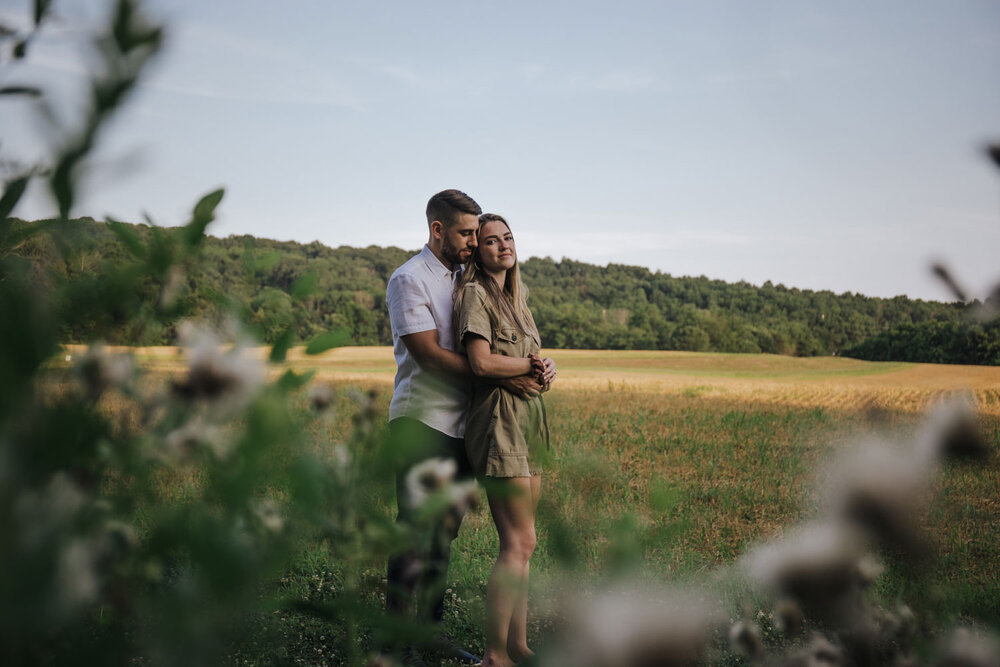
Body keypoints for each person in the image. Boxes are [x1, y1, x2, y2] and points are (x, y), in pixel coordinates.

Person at [385, 190, 553, 666]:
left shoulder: (467, 277)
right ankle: (397, 645)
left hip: (463, 426)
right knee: (416, 535)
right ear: (437, 229)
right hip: (423, 421)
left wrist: (526, 366)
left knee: (444, 537)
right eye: (465, 233)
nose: (473, 241)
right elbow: (429, 356)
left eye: (476, 234)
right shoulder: (409, 279)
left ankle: (430, 636)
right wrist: (507, 369)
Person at [453, 213, 554, 667]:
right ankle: (495, 655)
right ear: (478, 251)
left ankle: (518, 645)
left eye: (507, 238)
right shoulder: (475, 293)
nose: (502, 246)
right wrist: (527, 368)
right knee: (517, 542)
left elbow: (527, 359)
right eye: (490, 241)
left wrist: (547, 368)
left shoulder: (518, 296)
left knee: (524, 545)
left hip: (528, 425)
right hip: (498, 425)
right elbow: (480, 363)